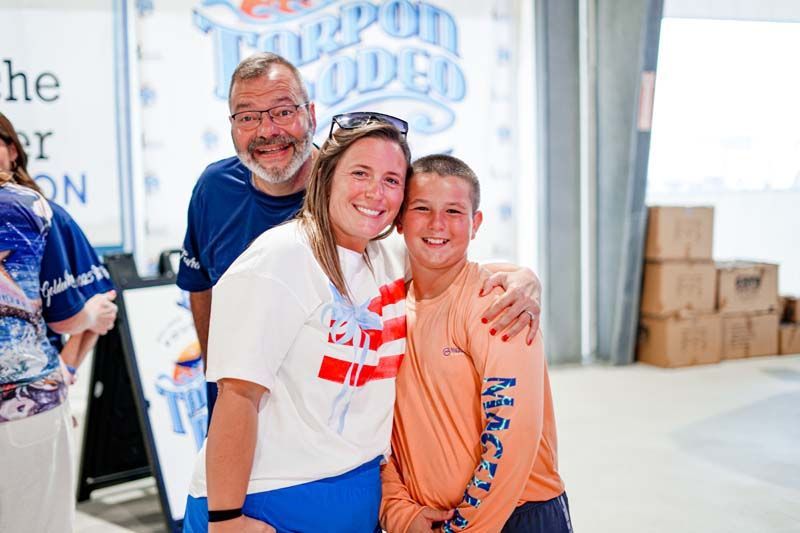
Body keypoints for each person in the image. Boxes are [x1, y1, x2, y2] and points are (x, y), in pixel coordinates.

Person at [177, 53, 543, 417]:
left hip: (331, 424)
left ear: (311, 115)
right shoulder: (214, 189)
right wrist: (222, 376)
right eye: (248, 117)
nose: (267, 130)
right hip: (243, 410)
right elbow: (201, 285)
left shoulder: (360, 204)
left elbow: (434, 257)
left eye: (283, 112)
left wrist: (519, 278)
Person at [183, 116, 412, 532]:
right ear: (326, 176)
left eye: (391, 180)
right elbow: (237, 396)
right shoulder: (280, 258)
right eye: (360, 173)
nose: (375, 192)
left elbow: (463, 273)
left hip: (356, 489)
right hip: (266, 497)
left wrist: (522, 281)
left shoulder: (391, 258)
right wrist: (226, 519)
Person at [381, 155, 571, 533]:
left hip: (517, 517)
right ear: (400, 220)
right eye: (422, 208)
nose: (437, 224)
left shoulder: (499, 306)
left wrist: (464, 529)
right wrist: (400, 512)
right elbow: (376, 427)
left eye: (453, 211)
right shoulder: (389, 310)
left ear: (476, 224)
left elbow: (511, 438)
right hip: (432, 520)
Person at [0, 113, 117, 533]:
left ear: (13, 150)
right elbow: (82, 312)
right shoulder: (30, 210)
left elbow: (94, 299)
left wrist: (66, 369)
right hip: (26, 409)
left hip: (29, 400)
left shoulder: (50, 216)